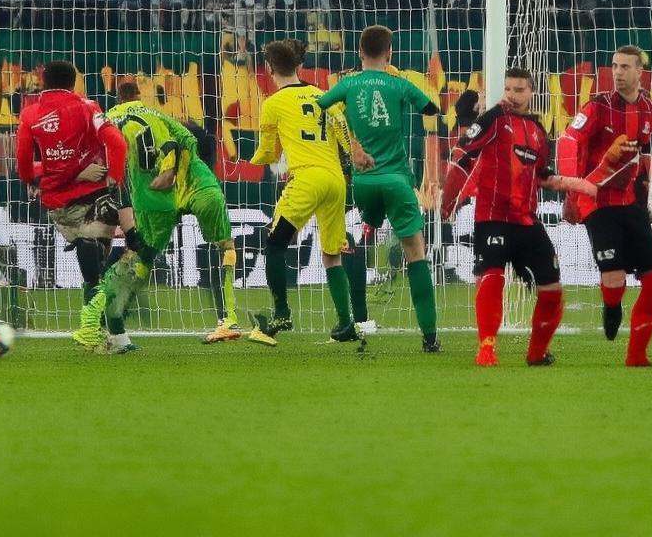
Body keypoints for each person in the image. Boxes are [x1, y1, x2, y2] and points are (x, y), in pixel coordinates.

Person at [441, 72, 596, 366]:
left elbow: (543, 176)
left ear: (531, 92)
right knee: (492, 277)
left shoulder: (537, 129)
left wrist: (577, 187)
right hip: (493, 217)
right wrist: (448, 199)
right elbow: (463, 153)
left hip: (527, 221)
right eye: (508, 88)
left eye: (519, 89)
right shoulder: (493, 118)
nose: (512, 94)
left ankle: (537, 354)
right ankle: (486, 349)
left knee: (552, 290)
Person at [74, 82, 240, 351]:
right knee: (225, 246)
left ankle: (105, 318)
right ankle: (229, 319)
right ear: (139, 97)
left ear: (118, 100)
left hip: (154, 196)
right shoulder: (159, 116)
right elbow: (187, 140)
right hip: (199, 186)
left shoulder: (109, 120)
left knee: (139, 257)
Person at [316, 25, 443, 353]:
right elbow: (432, 109)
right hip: (396, 181)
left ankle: (356, 316)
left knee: (359, 238)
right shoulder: (399, 83)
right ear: (390, 53)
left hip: (363, 183)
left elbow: (321, 103)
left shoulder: (348, 83)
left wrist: (353, 143)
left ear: (359, 52)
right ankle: (430, 338)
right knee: (415, 253)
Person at [557, 45, 652, 367]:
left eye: (625, 67)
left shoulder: (650, 109)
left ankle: (637, 355)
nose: (617, 72)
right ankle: (612, 304)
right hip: (596, 201)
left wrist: (646, 199)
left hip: (630, 202)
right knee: (615, 278)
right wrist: (571, 190)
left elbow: (642, 156)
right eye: (615, 66)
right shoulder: (597, 106)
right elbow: (568, 141)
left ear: (640, 72)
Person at [247, 39, 362, 347]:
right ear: (297, 66)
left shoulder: (273, 104)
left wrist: (250, 161)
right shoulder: (324, 96)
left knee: (275, 244)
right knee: (332, 254)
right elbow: (344, 134)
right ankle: (345, 322)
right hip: (335, 180)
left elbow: (268, 153)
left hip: (307, 178)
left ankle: (282, 313)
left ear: (269, 68)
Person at [15, 61, 132, 331]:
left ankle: (98, 329)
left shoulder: (30, 114)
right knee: (103, 261)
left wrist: (32, 179)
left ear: (43, 81)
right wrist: (114, 176)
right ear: (73, 83)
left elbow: (23, 161)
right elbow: (117, 143)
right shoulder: (88, 107)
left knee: (93, 264)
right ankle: (99, 328)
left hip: (58, 202)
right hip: (95, 196)